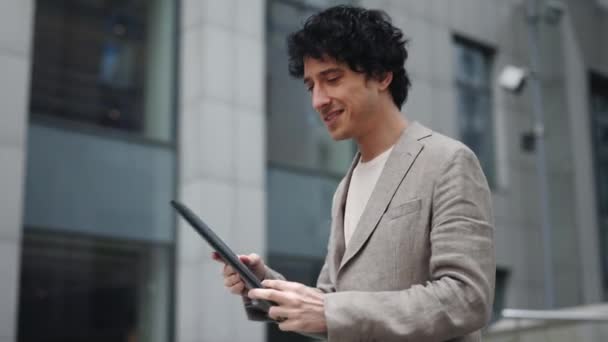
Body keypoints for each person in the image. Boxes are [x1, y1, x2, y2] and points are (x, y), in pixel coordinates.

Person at [213, 5, 495, 341]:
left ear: (381, 75)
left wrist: (330, 311)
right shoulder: (346, 186)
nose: (318, 100)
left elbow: (467, 298)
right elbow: (333, 307)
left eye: (331, 79)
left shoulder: (447, 161)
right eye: (310, 86)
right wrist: (263, 285)